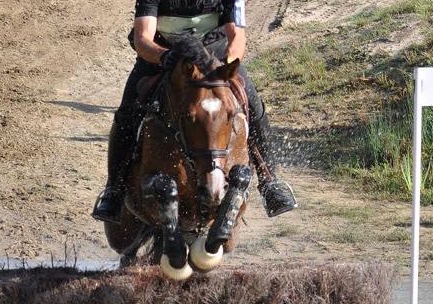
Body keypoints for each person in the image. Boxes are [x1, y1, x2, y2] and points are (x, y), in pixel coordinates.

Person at [92, 0, 297, 223]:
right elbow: (143, 39)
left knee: (254, 106)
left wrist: (223, 66)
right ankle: (114, 189)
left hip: (214, 56)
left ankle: (270, 182)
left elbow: (238, 37)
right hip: (164, 55)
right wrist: (164, 57)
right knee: (127, 112)